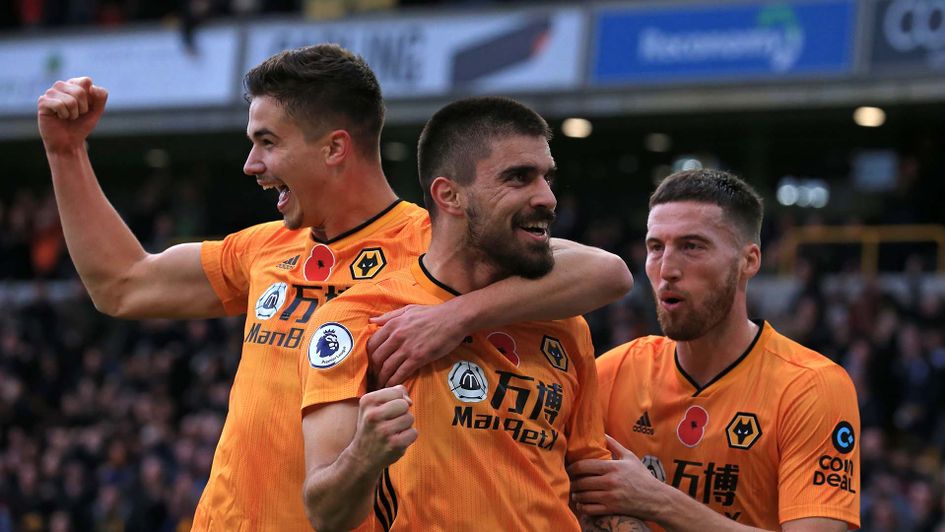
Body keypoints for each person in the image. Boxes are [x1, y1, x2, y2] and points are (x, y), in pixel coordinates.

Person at [36, 45, 632, 530]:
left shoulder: (435, 240)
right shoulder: (267, 246)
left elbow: (604, 272)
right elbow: (124, 285)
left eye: (267, 141)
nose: (251, 163)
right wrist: (66, 154)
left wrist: (456, 315)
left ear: (334, 148)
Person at [298, 96, 646, 532]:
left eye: (546, 178)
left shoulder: (564, 323)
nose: (547, 198)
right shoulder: (358, 318)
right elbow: (326, 514)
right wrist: (364, 455)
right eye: (519, 178)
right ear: (450, 195)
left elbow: (592, 489)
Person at [568, 169, 860, 531]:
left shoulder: (812, 386)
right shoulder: (613, 371)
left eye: (692, 246)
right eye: (656, 247)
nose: (667, 269)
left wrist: (657, 500)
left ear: (748, 261)